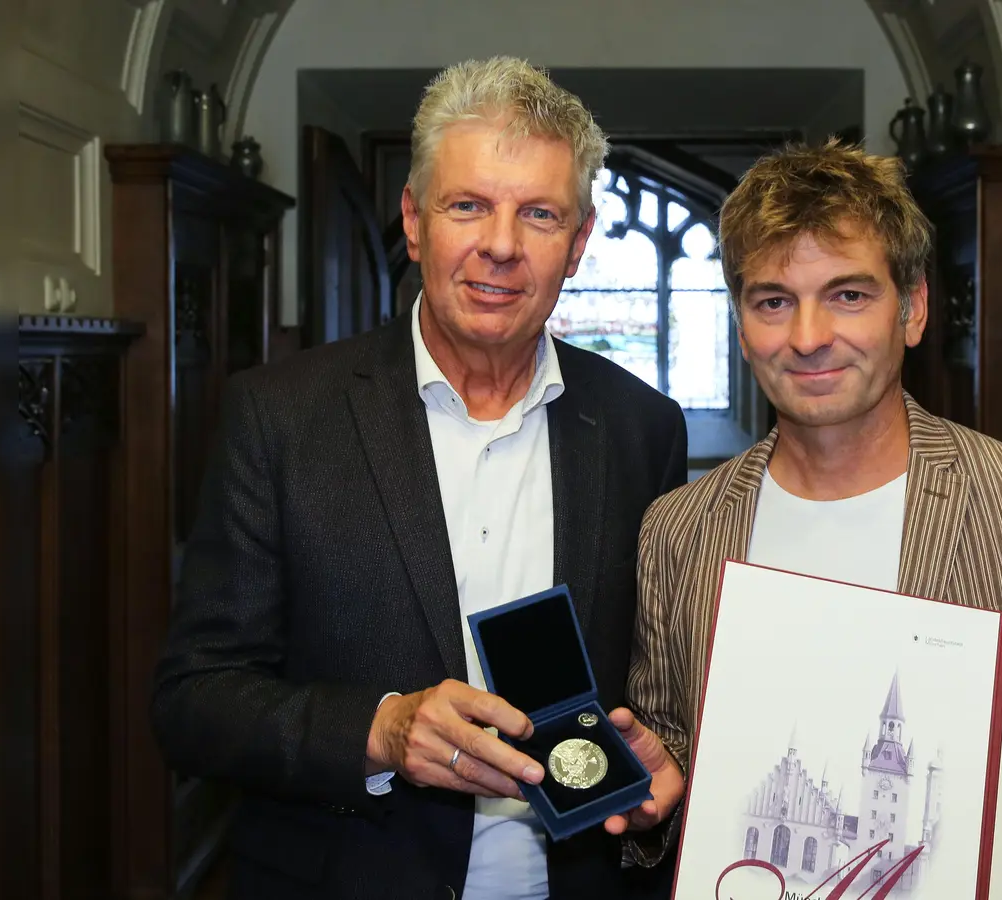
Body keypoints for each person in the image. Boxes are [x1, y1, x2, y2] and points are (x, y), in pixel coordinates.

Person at [152, 57, 688, 900]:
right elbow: (195, 701)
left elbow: (657, 683)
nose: (501, 246)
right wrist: (380, 729)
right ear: (413, 220)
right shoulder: (278, 417)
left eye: (539, 214)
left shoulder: (641, 428)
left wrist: (666, 754)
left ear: (580, 242)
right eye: (468, 205)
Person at [622, 139, 1002, 822]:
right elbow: (676, 748)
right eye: (773, 302)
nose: (807, 337)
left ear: (913, 310)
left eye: (848, 295)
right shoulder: (678, 529)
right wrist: (659, 789)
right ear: (740, 326)